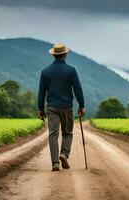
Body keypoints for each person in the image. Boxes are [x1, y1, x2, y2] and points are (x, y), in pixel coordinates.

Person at [37, 43, 85, 171]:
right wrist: (82, 105)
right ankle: (64, 154)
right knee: (67, 133)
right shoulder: (71, 70)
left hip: (52, 107)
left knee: (53, 134)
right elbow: (78, 90)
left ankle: (55, 163)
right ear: (65, 55)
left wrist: (40, 109)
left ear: (53, 55)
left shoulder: (46, 71)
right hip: (66, 107)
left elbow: (42, 92)